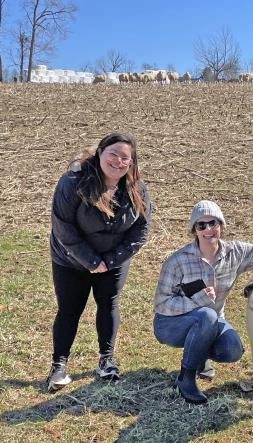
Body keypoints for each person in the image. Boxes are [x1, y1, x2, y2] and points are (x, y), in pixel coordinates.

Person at [153, 200, 253, 404]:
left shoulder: (234, 253)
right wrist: (198, 301)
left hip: (210, 321)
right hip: (169, 324)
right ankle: (186, 378)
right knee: (206, 315)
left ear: (221, 226)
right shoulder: (178, 261)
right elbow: (162, 303)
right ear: (194, 230)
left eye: (213, 223)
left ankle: (199, 355)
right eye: (201, 225)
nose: (208, 229)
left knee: (232, 349)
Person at [47, 132, 151, 393]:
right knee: (69, 310)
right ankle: (59, 366)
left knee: (108, 305)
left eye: (125, 157)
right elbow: (63, 228)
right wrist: (91, 261)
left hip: (113, 261)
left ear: (132, 162)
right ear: (100, 153)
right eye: (113, 154)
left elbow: (141, 230)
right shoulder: (74, 181)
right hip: (71, 260)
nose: (118, 161)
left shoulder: (136, 187)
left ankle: (106, 360)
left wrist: (111, 261)